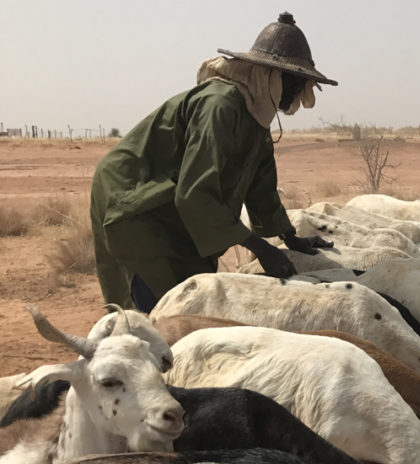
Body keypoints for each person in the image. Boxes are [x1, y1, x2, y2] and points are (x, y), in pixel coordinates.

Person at [90, 12, 335, 313]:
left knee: (196, 283)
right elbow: (195, 193)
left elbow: (261, 189)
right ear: (270, 75)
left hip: (173, 204)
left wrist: (290, 237)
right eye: (295, 82)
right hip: (137, 200)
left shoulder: (255, 116)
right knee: (169, 302)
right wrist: (260, 248)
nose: (298, 93)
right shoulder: (219, 106)